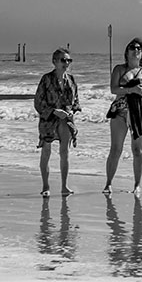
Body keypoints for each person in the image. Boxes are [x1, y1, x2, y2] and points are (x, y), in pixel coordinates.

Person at [103, 38, 142, 195]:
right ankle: (108, 183)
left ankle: (137, 185)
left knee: (137, 150)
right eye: (133, 47)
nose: (136, 50)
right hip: (120, 112)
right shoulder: (119, 69)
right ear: (127, 52)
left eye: (139, 48)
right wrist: (130, 90)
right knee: (116, 149)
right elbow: (113, 89)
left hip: (139, 112)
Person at [34, 47, 81, 197]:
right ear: (54, 62)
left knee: (64, 152)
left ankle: (64, 186)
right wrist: (54, 111)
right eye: (63, 60)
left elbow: (76, 101)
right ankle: (46, 186)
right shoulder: (46, 79)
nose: (66, 63)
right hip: (49, 119)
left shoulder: (71, 80)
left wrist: (72, 111)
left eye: (68, 60)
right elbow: (38, 103)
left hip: (66, 120)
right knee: (46, 151)